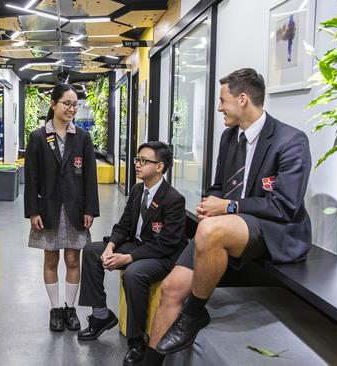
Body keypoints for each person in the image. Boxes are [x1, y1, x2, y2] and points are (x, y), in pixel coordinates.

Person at [141, 68, 312, 365]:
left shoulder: (291, 141)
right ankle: (151, 361)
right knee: (170, 289)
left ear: (243, 99)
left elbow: (286, 206)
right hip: (227, 226)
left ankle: (193, 314)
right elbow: (219, 186)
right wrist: (211, 202)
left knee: (208, 231)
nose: (219, 107)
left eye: (222, 100)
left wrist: (229, 207)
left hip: (274, 229)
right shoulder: (229, 138)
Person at [78, 141, 188, 366]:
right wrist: (110, 247)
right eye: (137, 159)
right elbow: (123, 226)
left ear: (160, 166)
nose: (137, 164)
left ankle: (137, 341)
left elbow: (167, 244)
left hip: (162, 255)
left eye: (144, 161)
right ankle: (101, 316)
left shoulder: (174, 199)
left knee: (133, 274)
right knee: (91, 251)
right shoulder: (138, 190)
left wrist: (127, 258)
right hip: (137, 245)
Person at [24, 83, 99, 332]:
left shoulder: (83, 136)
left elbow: (90, 177)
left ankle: (70, 308)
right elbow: (32, 178)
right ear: (53, 104)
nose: (71, 109)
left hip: (76, 208)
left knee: (72, 259)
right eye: (67, 103)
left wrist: (90, 209)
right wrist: (33, 211)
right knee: (51, 258)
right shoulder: (37, 137)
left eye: (75, 104)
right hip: (49, 208)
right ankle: (55, 309)